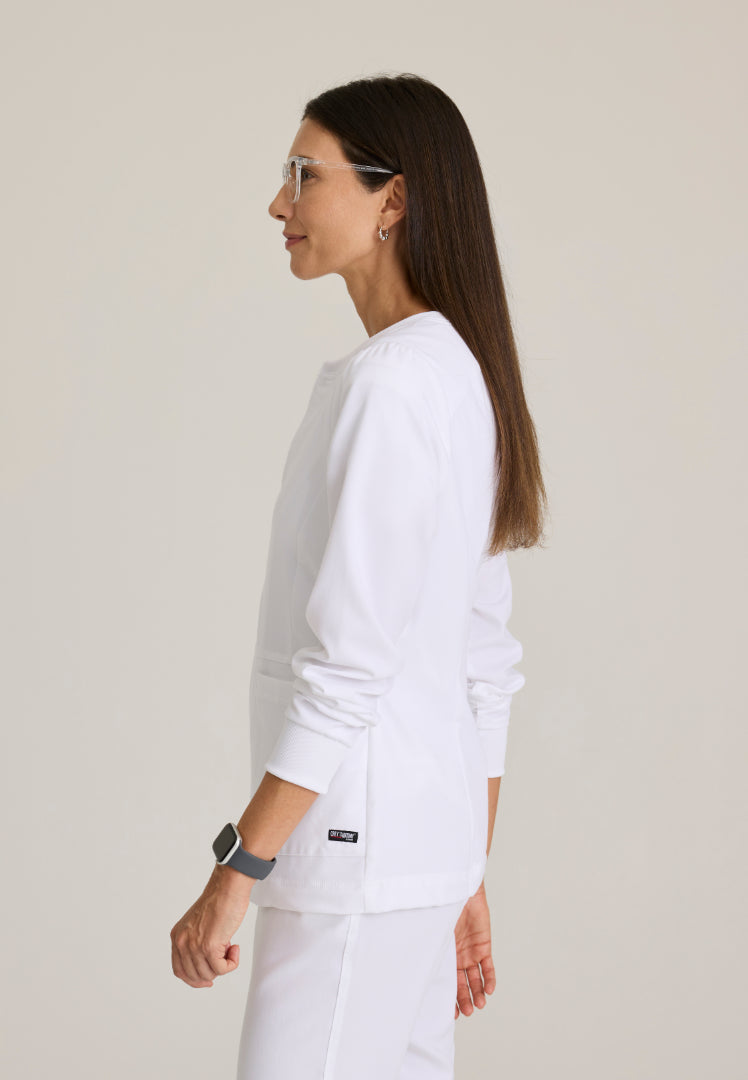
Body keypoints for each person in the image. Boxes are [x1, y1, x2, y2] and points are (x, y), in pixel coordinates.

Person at [170, 72, 548, 1079]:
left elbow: (346, 669)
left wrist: (237, 869)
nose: (279, 202)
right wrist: (463, 868)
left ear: (394, 198)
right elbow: (483, 662)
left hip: (355, 861)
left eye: (306, 173)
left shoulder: (391, 387)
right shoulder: (458, 375)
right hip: (413, 865)